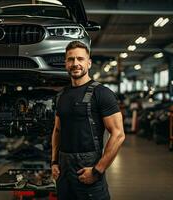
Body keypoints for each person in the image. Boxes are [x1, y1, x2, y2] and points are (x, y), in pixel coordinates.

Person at [51, 41, 125, 200]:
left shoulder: (102, 93)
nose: (75, 63)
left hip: (88, 168)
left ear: (89, 63)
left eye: (80, 59)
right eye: (71, 59)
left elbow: (118, 135)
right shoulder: (61, 96)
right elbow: (57, 130)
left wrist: (97, 170)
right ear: (65, 63)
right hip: (64, 171)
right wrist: (54, 162)